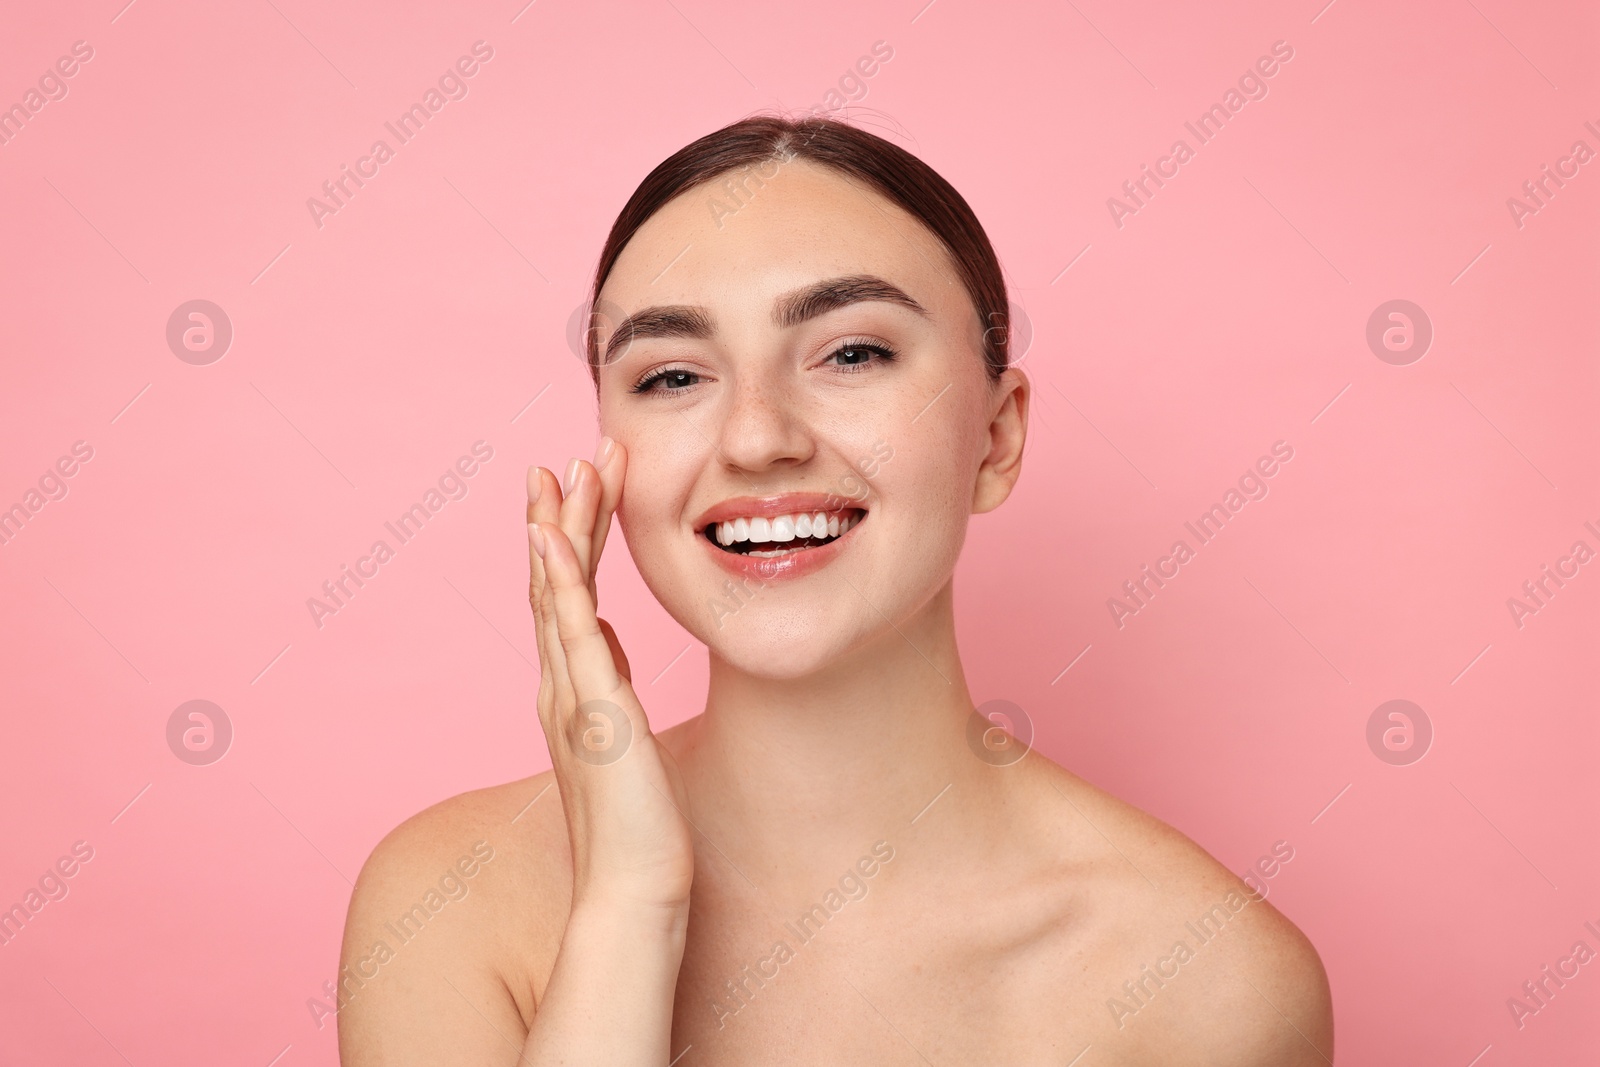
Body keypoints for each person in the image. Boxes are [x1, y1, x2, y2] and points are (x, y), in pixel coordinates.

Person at [336, 114, 1333, 1065]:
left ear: (997, 436)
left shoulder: (1208, 979)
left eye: (852, 352)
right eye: (673, 376)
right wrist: (631, 904)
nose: (758, 436)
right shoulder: (450, 899)